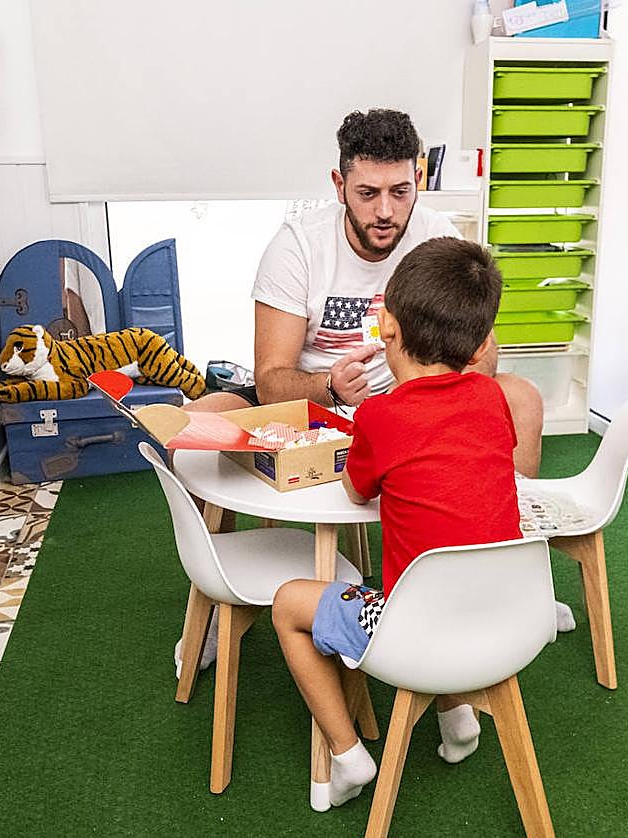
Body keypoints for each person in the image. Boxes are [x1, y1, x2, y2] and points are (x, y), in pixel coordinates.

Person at [270, 237, 527, 812]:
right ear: (483, 343)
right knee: (452, 559)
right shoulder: (492, 400)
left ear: (388, 329)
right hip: (502, 617)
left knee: (289, 604)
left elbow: (356, 488)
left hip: (412, 627)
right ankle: (458, 716)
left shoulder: (380, 415)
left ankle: (346, 754)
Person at [188, 107, 544, 478]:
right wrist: (330, 386)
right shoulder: (297, 246)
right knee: (197, 420)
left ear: (419, 180)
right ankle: (214, 535)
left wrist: (420, 399)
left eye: (401, 191)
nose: (385, 211)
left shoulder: (440, 239)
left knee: (522, 397)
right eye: (368, 193)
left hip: (410, 405)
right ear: (340, 187)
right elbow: (271, 380)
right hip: (313, 405)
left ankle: (508, 532)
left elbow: (482, 350)